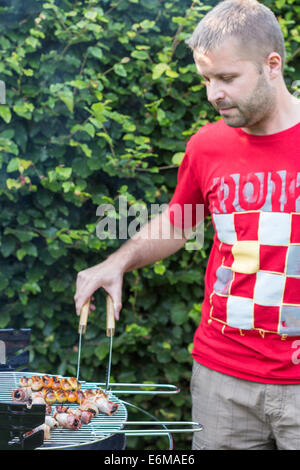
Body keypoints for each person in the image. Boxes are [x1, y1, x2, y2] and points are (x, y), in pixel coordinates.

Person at [74, 0, 300, 450]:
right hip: (222, 380)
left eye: (227, 78)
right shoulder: (207, 146)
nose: (213, 93)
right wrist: (116, 262)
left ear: (271, 65)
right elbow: (179, 223)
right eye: (206, 79)